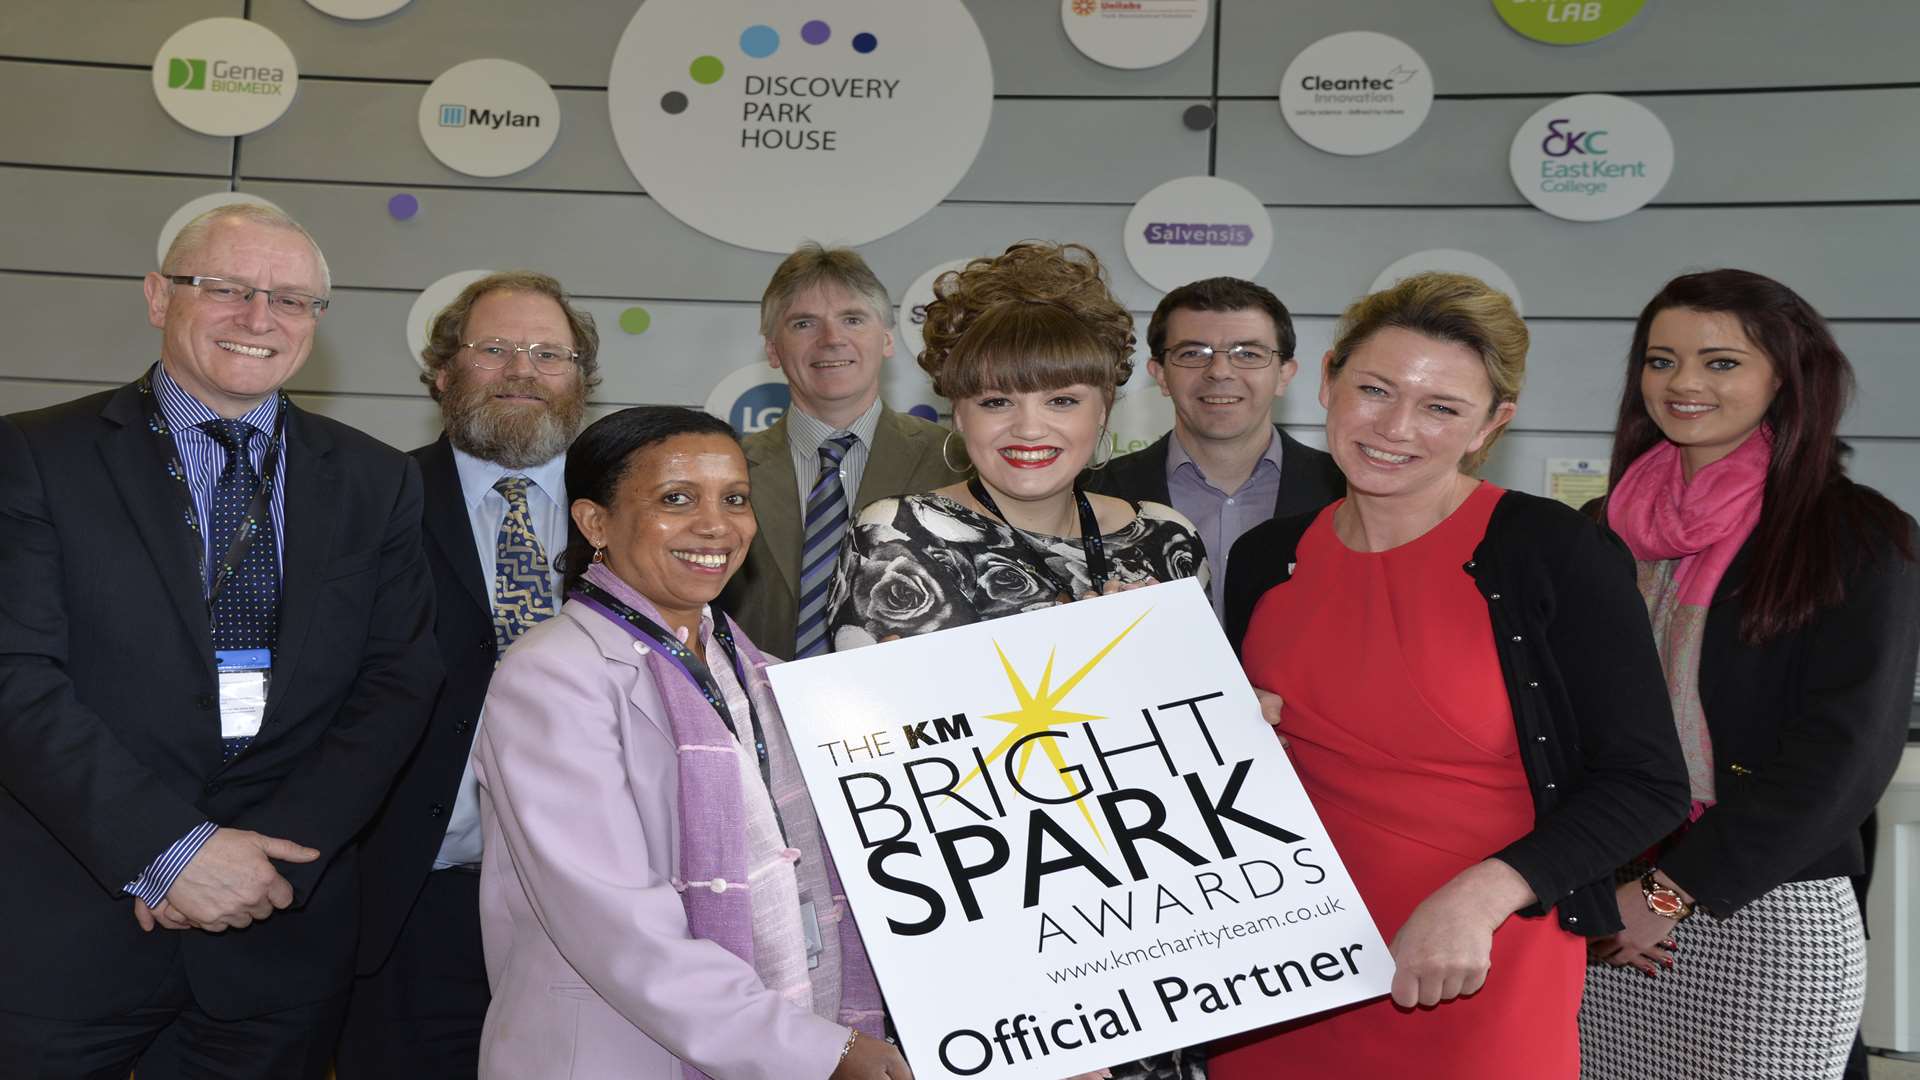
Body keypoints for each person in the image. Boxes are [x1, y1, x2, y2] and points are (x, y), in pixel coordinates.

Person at [0, 203, 440, 1078]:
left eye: (291, 299)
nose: (260, 317)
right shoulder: (35, 456)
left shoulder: (375, 479)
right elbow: (16, 674)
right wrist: (169, 852)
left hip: (276, 938)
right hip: (69, 932)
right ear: (160, 296)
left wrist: (255, 864)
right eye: (228, 289)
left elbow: (398, 681)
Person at [1212, 272, 1688, 1079]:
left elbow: (1646, 783)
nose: (1396, 427)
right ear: (1327, 381)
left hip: (1477, 968)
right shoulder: (1266, 557)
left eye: (1441, 407)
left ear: (1490, 424)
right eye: (1373, 389)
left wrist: (1484, 894)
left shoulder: (1549, 551)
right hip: (1280, 976)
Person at [827, 241, 1207, 1080]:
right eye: (996, 400)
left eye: (1062, 399)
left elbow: (1189, 768)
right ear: (956, 413)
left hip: (1157, 950)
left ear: (1106, 406)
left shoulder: (1167, 543)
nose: (1029, 429)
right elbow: (905, 805)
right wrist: (1040, 1021)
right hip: (989, 979)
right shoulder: (899, 538)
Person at [471, 406, 908, 1079]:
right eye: (677, 500)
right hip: (616, 1050)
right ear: (595, 524)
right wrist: (820, 1051)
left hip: (782, 1020)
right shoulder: (551, 677)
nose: (716, 525)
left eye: (734, 499)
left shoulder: (755, 671)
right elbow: (617, 928)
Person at [1578, 270, 1920, 1080]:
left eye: (1721, 362)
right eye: (1661, 361)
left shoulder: (1857, 535)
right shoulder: (1601, 527)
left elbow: (1844, 755)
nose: (1684, 383)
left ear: (1786, 377)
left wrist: (1667, 895)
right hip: (1603, 903)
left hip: (1764, 907)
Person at [339, 271, 599, 1077]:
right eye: (494, 349)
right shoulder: (368, 499)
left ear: (580, 383)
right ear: (444, 372)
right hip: (413, 902)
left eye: (548, 353)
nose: (522, 370)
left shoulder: (636, 514)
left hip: (595, 907)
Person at [718, 243, 969, 660]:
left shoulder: (957, 460)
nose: (831, 339)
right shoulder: (727, 469)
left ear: (887, 340)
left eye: (852, 319)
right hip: (754, 714)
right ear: (773, 350)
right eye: (803, 323)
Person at [1083, 277, 1343, 622]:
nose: (1219, 372)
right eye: (1193, 353)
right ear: (1160, 374)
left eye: (1248, 354)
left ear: (1285, 374)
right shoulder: (1091, 494)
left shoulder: (1347, 492)